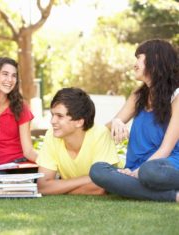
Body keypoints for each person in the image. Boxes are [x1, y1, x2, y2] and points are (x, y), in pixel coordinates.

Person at [89, 39, 179, 202]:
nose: (134, 64)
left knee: (149, 173)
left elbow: (165, 149)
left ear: (156, 59)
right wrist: (117, 121)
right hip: (135, 168)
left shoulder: (177, 97)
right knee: (97, 171)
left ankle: (133, 186)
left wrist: (137, 172)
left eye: (139, 57)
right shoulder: (138, 95)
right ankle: (173, 196)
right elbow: (106, 129)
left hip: (165, 167)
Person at [37, 87, 120, 195]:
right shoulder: (51, 135)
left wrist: (59, 186)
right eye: (52, 115)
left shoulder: (100, 134)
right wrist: (89, 179)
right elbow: (43, 186)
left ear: (79, 122)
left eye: (60, 116)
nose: (52, 121)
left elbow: (101, 187)